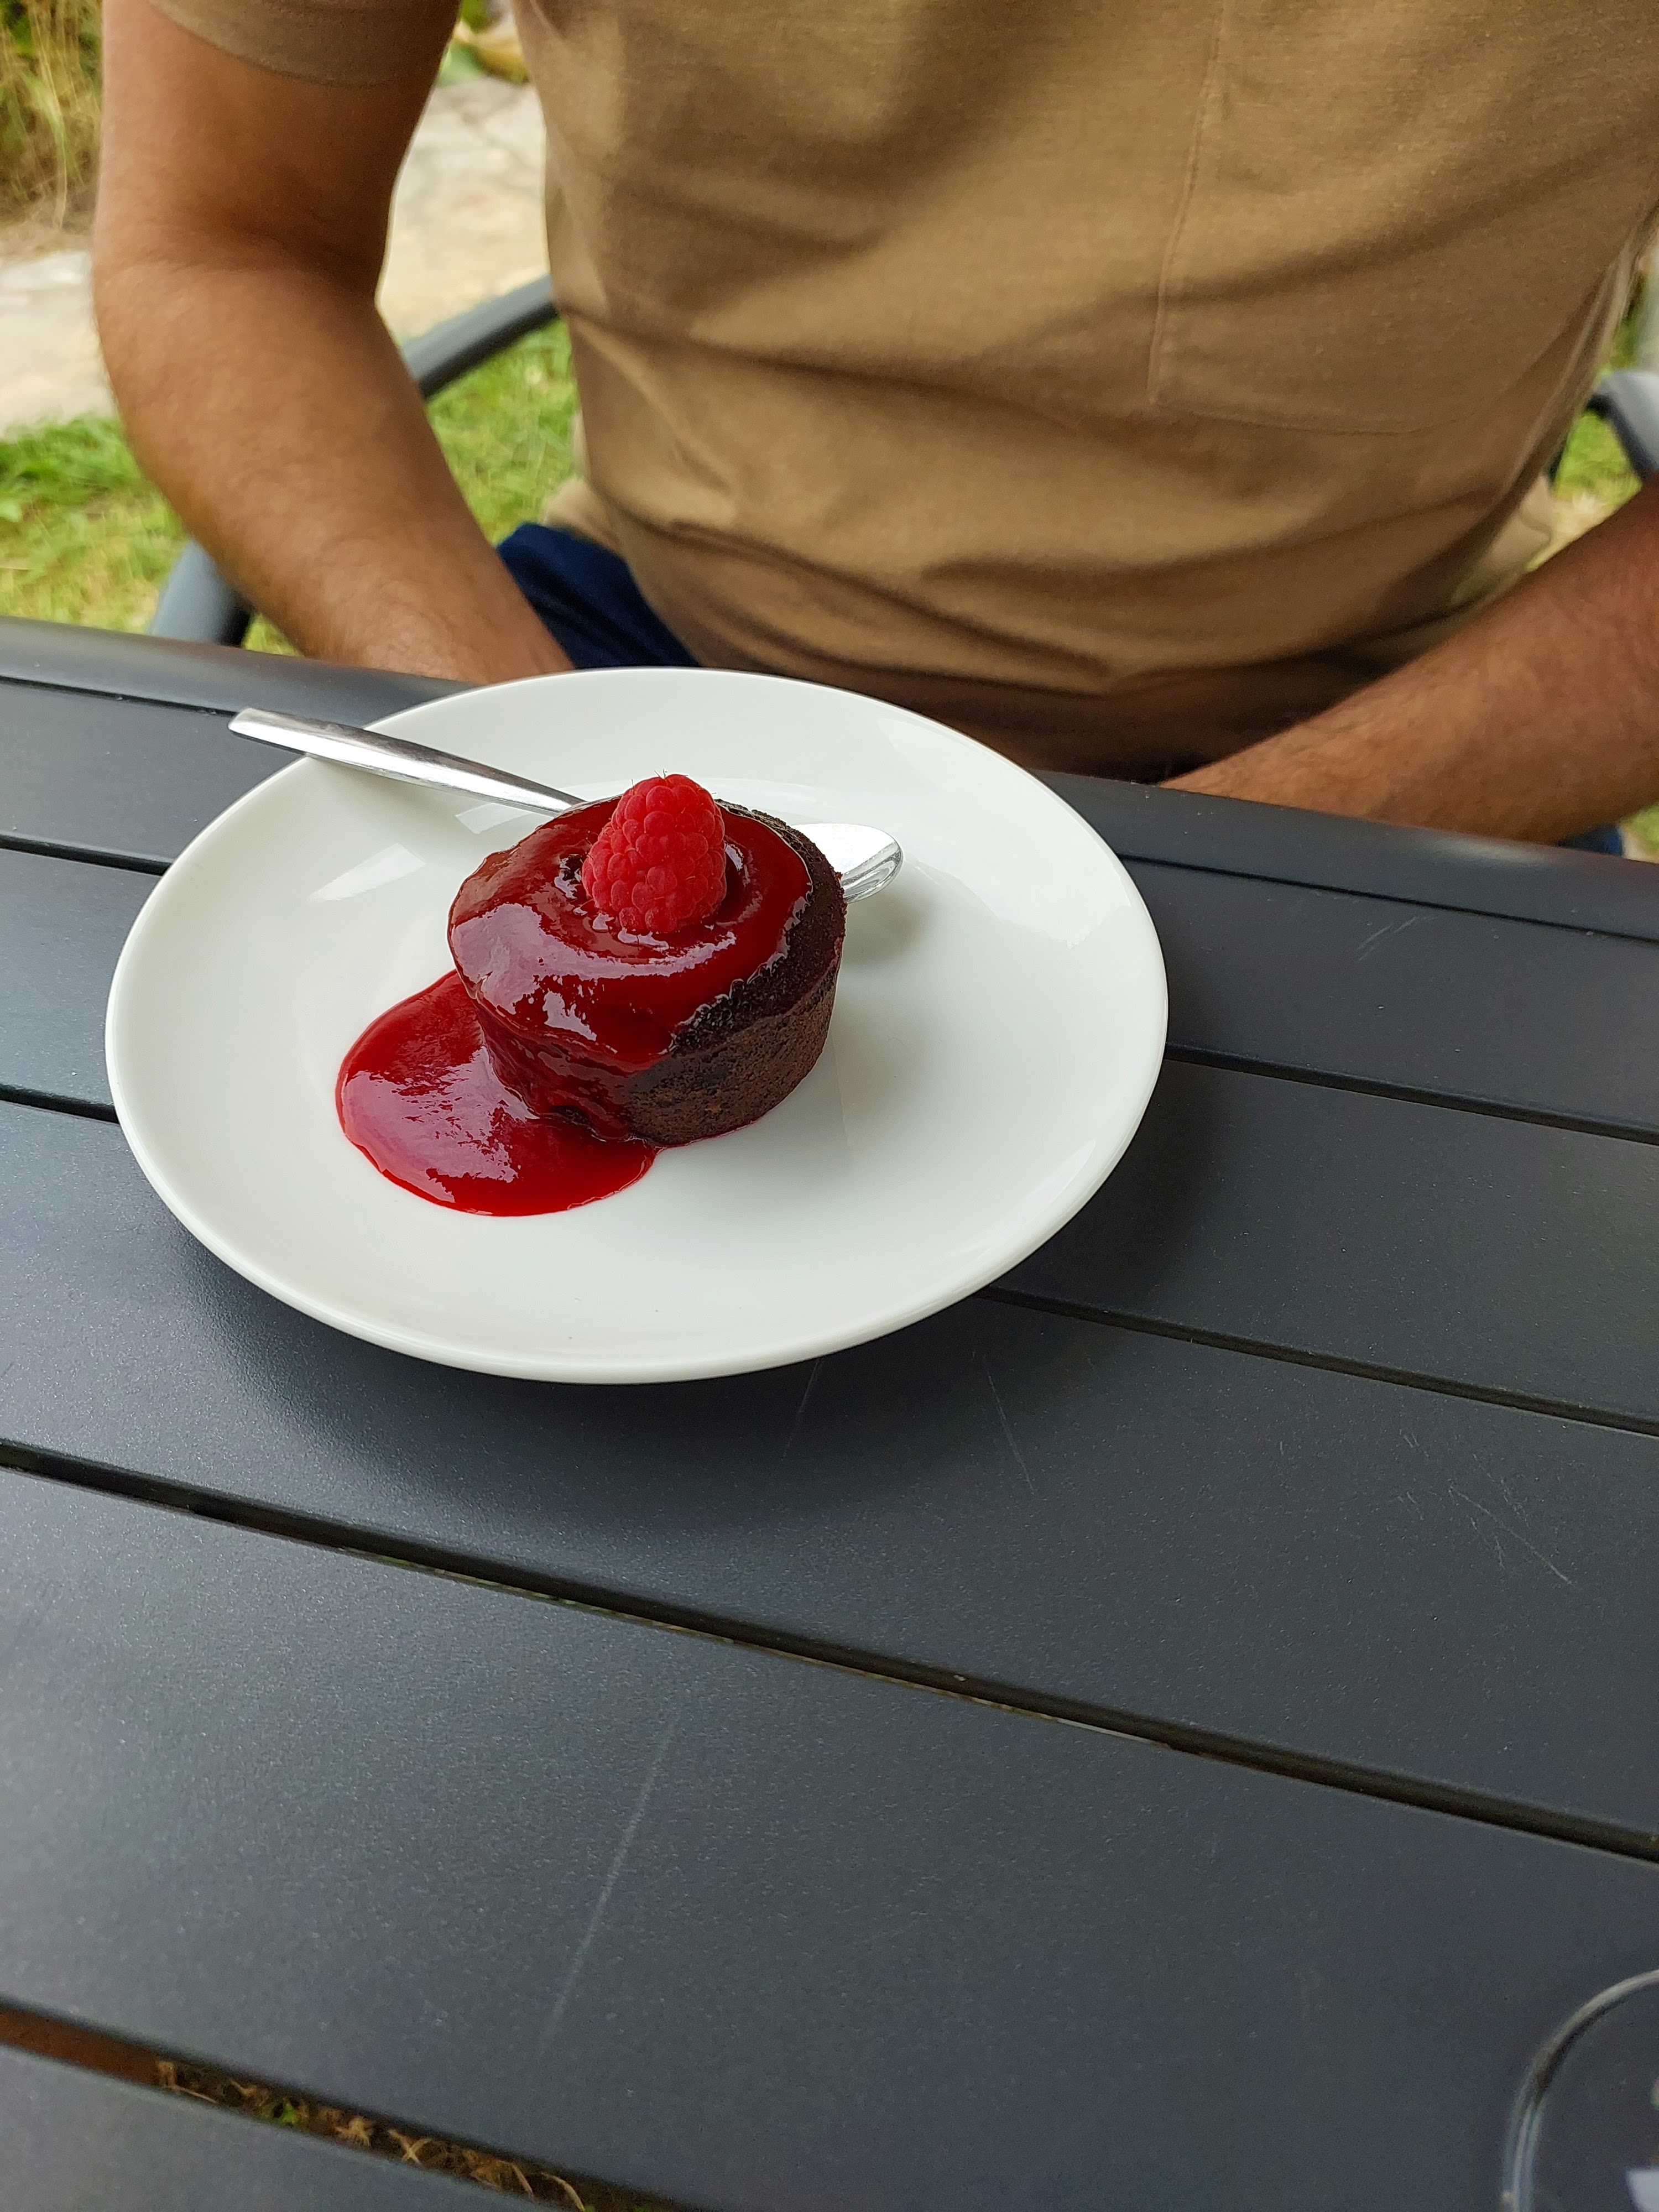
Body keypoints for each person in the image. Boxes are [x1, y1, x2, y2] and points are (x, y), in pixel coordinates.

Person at [95, 0, 1659, 842]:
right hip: (628, 648)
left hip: (1418, 721)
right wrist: (573, 809)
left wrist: (1226, 860)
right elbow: (223, 246)